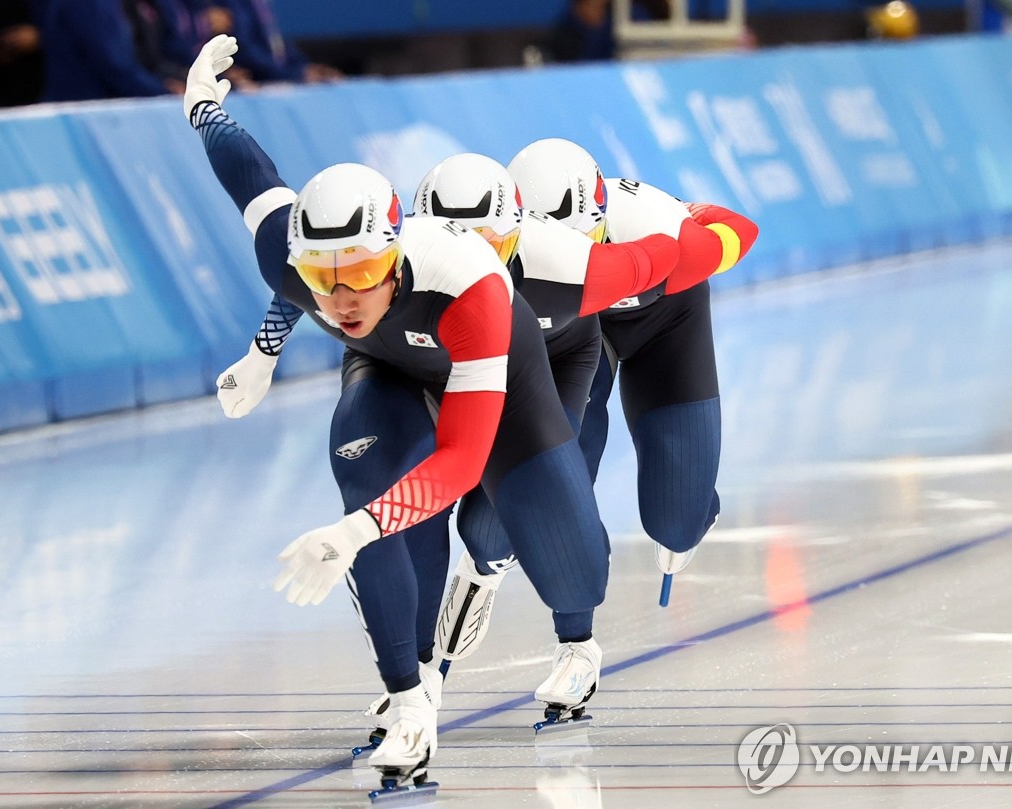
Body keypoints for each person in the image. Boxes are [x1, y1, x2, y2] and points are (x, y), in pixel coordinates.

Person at [184, 36, 610, 791]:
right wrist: (200, 101)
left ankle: (525, 598)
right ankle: (410, 698)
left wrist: (351, 533)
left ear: (395, 253)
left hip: (496, 370)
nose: (343, 298)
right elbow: (243, 166)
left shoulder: (471, 285)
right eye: (324, 277)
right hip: (390, 367)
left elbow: (462, 459)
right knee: (373, 482)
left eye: (362, 274)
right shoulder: (289, 254)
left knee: (549, 550)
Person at [508, 138, 757, 604]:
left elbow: (741, 230)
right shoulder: (507, 249)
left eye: (585, 248)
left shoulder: (661, 229)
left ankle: (692, 510)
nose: (579, 268)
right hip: (578, 334)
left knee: (676, 525)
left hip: (666, 323)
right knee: (561, 471)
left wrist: (689, 211)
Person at [40, 0, 179, 101]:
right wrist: (163, 91)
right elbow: (114, 67)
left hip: (90, 111)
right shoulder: (91, 4)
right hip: (86, 113)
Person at [216, 0, 342, 83]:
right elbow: (243, 47)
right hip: (255, 80)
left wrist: (303, 67)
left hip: (276, 75)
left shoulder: (259, 4)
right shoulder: (232, 4)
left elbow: (274, 39)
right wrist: (293, 74)